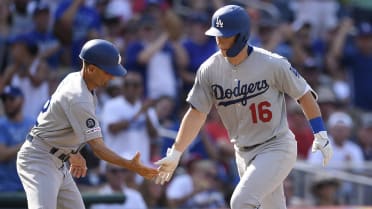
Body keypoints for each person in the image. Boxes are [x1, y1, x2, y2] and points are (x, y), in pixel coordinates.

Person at [154, 5, 333, 209]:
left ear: (240, 35)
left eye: (225, 36)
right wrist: (176, 151)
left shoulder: (272, 63)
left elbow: (304, 95)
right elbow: (196, 113)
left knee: (240, 202)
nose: (219, 40)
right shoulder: (210, 69)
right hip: (242, 151)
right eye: (217, 35)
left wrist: (320, 133)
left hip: (275, 145)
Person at [16, 39, 158, 209]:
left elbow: (61, 122)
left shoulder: (75, 78)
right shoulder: (79, 98)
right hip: (39, 159)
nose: (112, 77)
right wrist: (129, 165)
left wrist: (72, 153)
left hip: (57, 158)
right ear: (91, 69)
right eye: (108, 72)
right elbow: (98, 148)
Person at [0, 86, 34, 192]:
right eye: (4, 99)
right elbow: (2, 155)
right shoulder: (2, 125)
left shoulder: (32, 123)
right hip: (6, 188)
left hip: (29, 186)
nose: (7, 102)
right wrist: (28, 141)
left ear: (22, 100)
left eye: (12, 98)